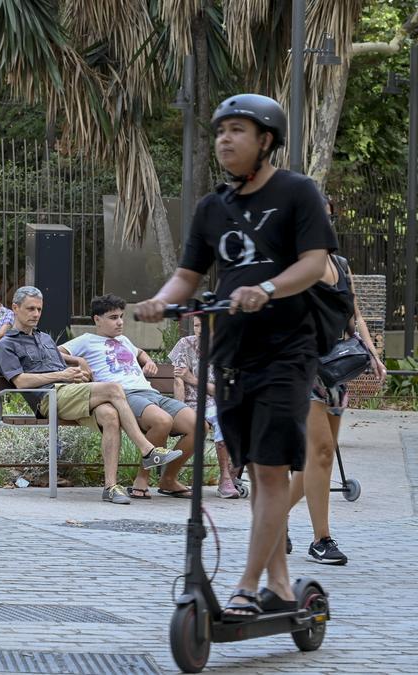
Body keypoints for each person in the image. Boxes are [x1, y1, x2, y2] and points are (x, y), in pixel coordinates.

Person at [134, 93, 337, 619]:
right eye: (220, 130)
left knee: (270, 472)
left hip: (287, 352)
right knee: (256, 470)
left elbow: (315, 263)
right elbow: (189, 276)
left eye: (238, 130)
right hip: (231, 355)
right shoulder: (212, 207)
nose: (224, 139)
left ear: (266, 140)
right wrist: (162, 300)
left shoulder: (298, 193)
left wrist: (267, 288)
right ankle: (283, 587)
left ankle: (246, 586)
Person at [0, 286, 182, 504]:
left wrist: (78, 364)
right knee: (113, 388)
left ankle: (110, 487)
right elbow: (21, 381)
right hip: (50, 398)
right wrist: (62, 374)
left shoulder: (44, 338)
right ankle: (147, 449)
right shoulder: (6, 344)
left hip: (72, 393)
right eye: (30, 309)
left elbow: (62, 358)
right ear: (15, 308)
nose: (36, 314)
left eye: (39, 309)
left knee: (110, 415)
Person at [287, 199, 387, 565]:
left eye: (328, 217)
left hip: (336, 367)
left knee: (320, 458)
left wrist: (374, 355)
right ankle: (321, 539)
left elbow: (354, 316)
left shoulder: (341, 265)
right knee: (323, 450)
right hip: (302, 366)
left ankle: (275, 516)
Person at [60, 294, 195, 500]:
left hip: (151, 393)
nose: (120, 322)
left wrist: (147, 359)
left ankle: (168, 480)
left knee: (198, 425)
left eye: (122, 316)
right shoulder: (87, 340)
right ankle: (141, 481)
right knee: (162, 421)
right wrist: (77, 359)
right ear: (97, 319)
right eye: (113, 317)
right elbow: (54, 351)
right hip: (125, 395)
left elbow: (139, 351)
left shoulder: (124, 340)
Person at [169, 315, 242, 499]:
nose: (199, 330)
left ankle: (231, 474)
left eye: (204, 326)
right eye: (196, 326)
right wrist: (179, 409)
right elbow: (178, 380)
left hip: (217, 403)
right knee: (223, 417)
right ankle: (226, 477)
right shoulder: (185, 344)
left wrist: (193, 379)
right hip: (192, 405)